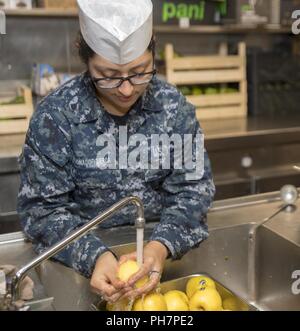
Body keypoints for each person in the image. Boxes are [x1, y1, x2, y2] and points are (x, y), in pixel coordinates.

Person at [17, 0, 215, 305]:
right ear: (86, 61)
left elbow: (193, 190)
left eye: (139, 72)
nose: (126, 90)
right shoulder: (56, 118)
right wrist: (93, 255)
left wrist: (161, 246)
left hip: (159, 262)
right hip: (79, 272)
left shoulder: (173, 109)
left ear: (153, 53)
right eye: (108, 75)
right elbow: (42, 211)